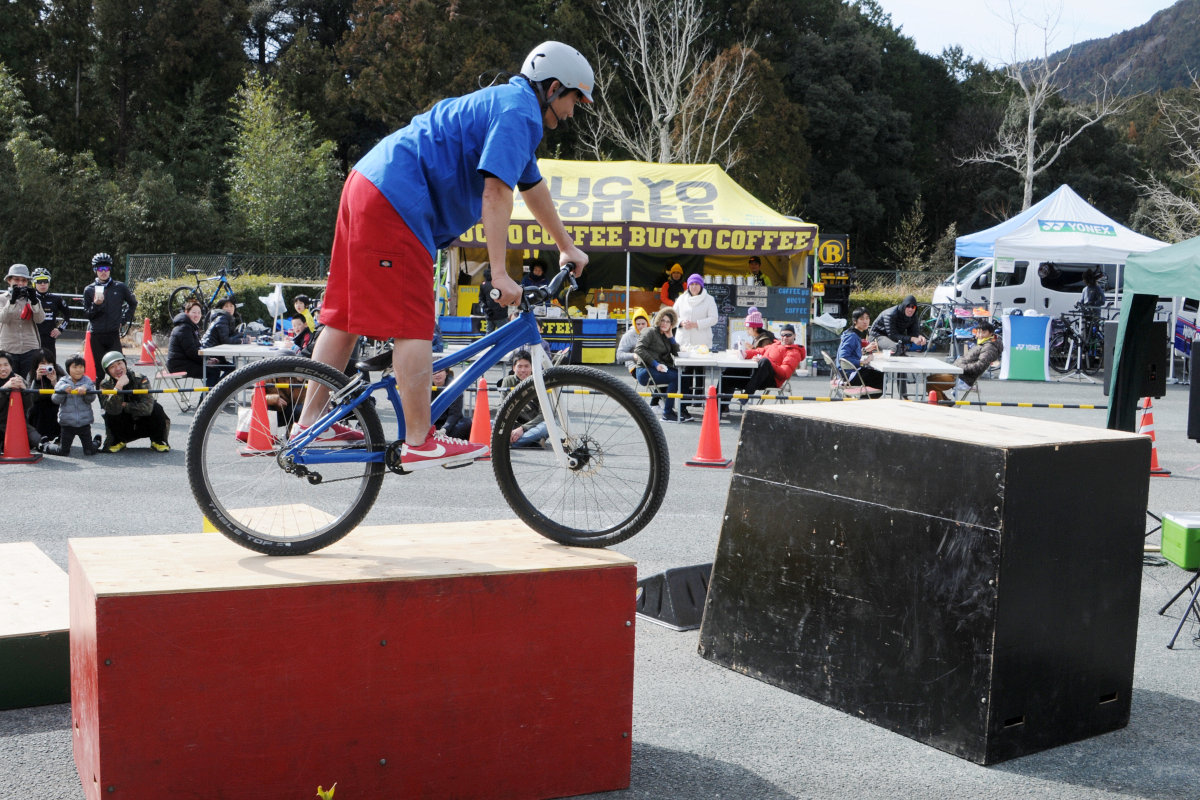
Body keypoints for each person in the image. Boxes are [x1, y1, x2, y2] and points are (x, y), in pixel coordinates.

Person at [297, 41, 592, 470]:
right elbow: (496, 192)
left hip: (368, 184)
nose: (571, 114)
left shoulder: (509, 107)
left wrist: (566, 245)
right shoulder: (519, 113)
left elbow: (533, 188)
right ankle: (419, 439)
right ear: (551, 88)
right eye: (572, 100)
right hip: (398, 199)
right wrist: (498, 273)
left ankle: (308, 423)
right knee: (413, 322)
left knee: (344, 319)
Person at [97, 351, 171, 452]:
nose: (118, 368)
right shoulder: (105, 385)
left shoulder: (140, 379)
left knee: (156, 407)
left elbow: (147, 408)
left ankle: (157, 440)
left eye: (119, 363)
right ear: (107, 371)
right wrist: (118, 387)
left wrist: (125, 405)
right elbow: (112, 409)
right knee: (109, 412)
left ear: (125, 363)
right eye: (112, 367)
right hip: (123, 425)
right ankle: (118, 441)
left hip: (142, 422)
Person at [722, 323, 806, 410]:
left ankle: (746, 396)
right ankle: (719, 406)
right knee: (729, 372)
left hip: (772, 380)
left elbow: (784, 374)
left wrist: (768, 362)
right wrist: (744, 353)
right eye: (783, 335)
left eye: (788, 335)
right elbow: (758, 351)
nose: (785, 337)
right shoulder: (775, 345)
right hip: (757, 376)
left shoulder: (794, 353)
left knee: (764, 361)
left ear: (794, 336)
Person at [82, 253, 137, 372]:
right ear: (95, 270)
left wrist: (123, 320)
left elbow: (132, 303)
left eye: (106, 268)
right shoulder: (89, 289)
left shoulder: (120, 287)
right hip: (96, 334)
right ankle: (101, 390)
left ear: (110, 269)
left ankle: (120, 389)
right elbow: (87, 314)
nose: (103, 272)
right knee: (100, 370)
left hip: (113, 334)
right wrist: (96, 305)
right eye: (100, 268)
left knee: (119, 368)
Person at [635, 307, 692, 422]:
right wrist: (655, 364)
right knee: (676, 377)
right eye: (663, 320)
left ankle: (682, 409)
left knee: (685, 376)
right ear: (658, 320)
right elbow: (639, 349)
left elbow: (676, 353)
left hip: (659, 369)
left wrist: (671, 337)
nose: (665, 323)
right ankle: (667, 413)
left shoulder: (665, 335)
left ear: (672, 324)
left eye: (668, 322)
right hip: (645, 371)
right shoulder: (649, 331)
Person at [38, 353, 98, 456]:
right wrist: (63, 391)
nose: (78, 370)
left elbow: (91, 399)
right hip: (67, 424)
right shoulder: (62, 381)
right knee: (63, 451)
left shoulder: (87, 381)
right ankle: (45, 445)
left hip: (84, 423)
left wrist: (86, 391)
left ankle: (96, 441)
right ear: (68, 369)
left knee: (89, 451)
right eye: (75, 367)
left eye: (81, 367)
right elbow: (55, 400)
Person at [169, 299, 231, 387]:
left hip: (185, 362)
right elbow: (191, 352)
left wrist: (209, 359)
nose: (197, 315)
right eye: (194, 312)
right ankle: (208, 399)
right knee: (213, 371)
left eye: (199, 312)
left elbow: (196, 349)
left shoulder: (189, 326)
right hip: (179, 365)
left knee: (225, 367)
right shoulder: (184, 328)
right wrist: (206, 361)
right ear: (187, 312)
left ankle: (217, 394)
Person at [1, 264, 47, 378]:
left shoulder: (32, 298)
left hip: (30, 347)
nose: (20, 283)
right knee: (9, 383)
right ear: (9, 280)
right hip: (8, 348)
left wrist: (34, 301)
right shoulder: (2, 299)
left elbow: (40, 319)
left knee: (29, 382)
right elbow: (3, 318)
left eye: (24, 280)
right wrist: (11, 301)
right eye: (16, 279)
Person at [941, 320, 1003, 402]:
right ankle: (945, 403)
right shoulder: (984, 343)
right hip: (958, 374)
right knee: (932, 381)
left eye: (983, 333)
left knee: (932, 382)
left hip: (963, 378)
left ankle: (943, 404)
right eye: (978, 332)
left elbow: (980, 366)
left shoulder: (989, 347)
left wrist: (960, 367)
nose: (980, 335)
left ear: (991, 333)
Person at [499, 351, 550, 447]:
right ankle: (528, 442)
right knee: (490, 423)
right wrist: (510, 430)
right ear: (514, 368)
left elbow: (544, 415)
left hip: (534, 425)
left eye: (526, 366)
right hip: (513, 425)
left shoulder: (540, 382)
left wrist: (523, 428)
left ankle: (508, 443)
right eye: (519, 366)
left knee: (547, 427)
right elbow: (502, 408)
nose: (523, 370)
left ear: (532, 367)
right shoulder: (508, 381)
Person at [0, 350, 40, 451]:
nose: (3, 369)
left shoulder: (18, 379)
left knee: (36, 439)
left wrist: (25, 391)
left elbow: (29, 406)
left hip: (18, 423)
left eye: (6, 365)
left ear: (11, 366)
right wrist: (4, 388)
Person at [837, 307, 883, 394]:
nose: (865, 321)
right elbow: (843, 358)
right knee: (881, 377)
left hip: (846, 373)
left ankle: (864, 400)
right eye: (861, 319)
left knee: (877, 376)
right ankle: (863, 401)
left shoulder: (851, 333)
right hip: (849, 375)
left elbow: (851, 353)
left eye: (867, 318)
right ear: (855, 321)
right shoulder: (852, 336)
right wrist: (863, 362)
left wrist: (865, 350)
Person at [30, 268, 71, 362]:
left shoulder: (56, 299)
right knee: (32, 369)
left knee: (50, 366)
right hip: (32, 339)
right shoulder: (29, 299)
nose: (43, 284)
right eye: (39, 281)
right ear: (34, 283)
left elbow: (67, 315)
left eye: (45, 281)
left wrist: (60, 329)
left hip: (49, 339)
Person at [25, 349, 64, 443]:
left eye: (49, 362)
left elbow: (63, 397)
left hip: (55, 405)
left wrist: (55, 382)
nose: (46, 366)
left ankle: (58, 435)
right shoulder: (32, 374)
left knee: (57, 408)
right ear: (36, 364)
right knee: (37, 407)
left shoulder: (58, 371)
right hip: (38, 408)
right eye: (43, 363)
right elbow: (31, 399)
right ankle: (39, 436)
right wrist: (37, 380)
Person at [673, 274, 718, 350]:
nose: (694, 287)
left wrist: (696, 324)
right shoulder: (681, 298)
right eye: (691, 284)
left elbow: (714, 318)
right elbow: (672, 316)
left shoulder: (709, 299)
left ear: (701, 286)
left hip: (702, 342)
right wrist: (681, 323)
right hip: (683, 342)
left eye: (696, 284)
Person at [432, 367, 471, 440]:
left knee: (467, 423)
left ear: (446, 373)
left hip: (450, 425)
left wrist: (444, 429)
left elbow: (455, 414)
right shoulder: (424, 387)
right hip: (431, 426)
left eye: (440, 371)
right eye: (434, 372)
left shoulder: (454, 387)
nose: (437, 374)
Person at [479, 265, 512, 332]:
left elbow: (481, 300)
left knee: (489, 335)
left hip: (489, 314)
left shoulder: (483, 284)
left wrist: (486, 309)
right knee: (504, 334)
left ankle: (488, 343)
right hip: (501, 314)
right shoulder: (502, 282)